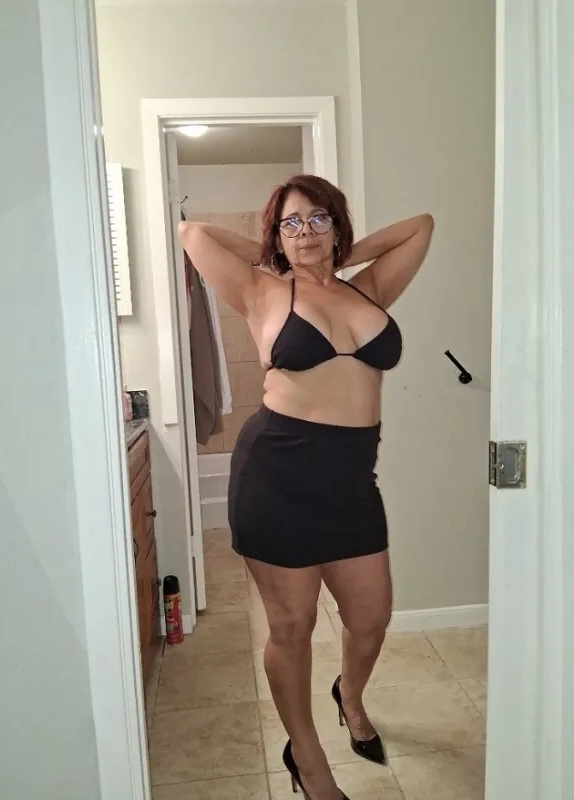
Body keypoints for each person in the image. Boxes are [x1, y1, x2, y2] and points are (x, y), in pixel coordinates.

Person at [178, 175, 434, 800]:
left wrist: (337, 256)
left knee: (370, 618)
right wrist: (275, 254)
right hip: (277, 477)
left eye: (319, 219)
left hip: (351, 483)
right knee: (291, 627)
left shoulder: (367, 290)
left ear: (338, 225)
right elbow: (193, 232)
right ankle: (309, 760)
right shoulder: (261, 290)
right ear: (275, 235)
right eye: (290, 223)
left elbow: (420, 227)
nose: (306, 232)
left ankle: (351, 695)